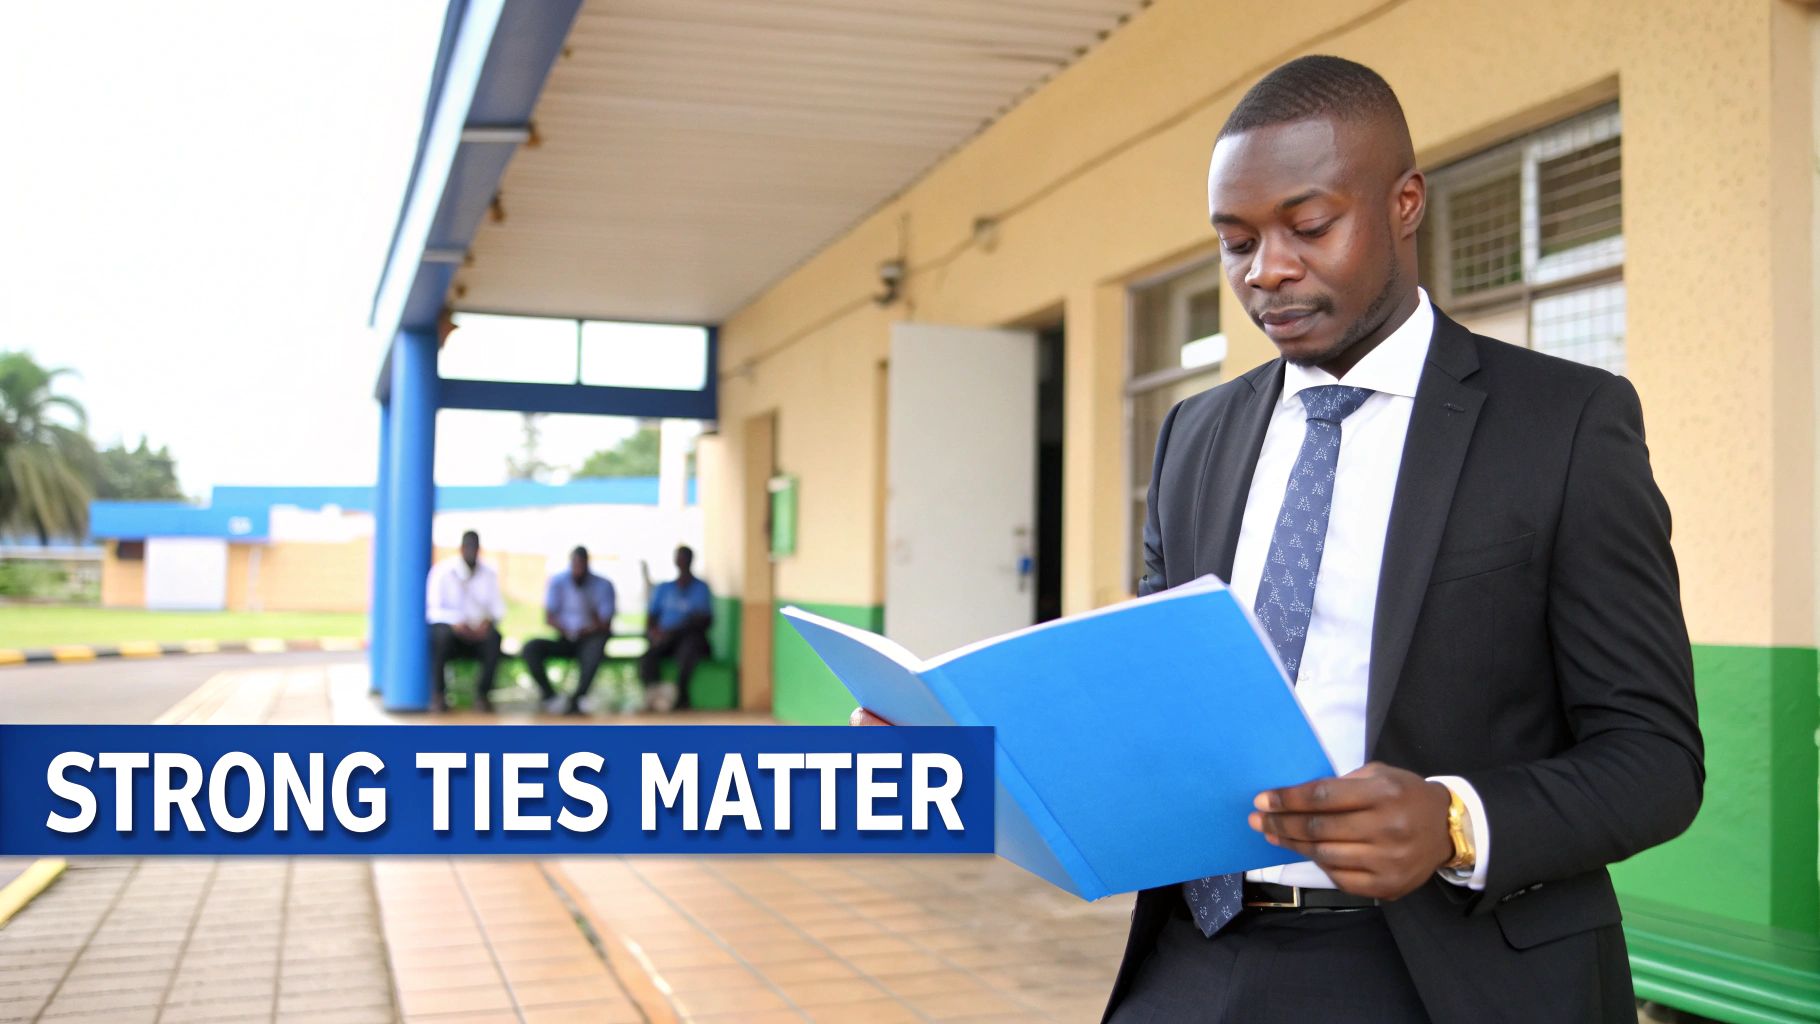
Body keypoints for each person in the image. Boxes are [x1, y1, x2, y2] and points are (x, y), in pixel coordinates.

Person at [856, 56, 1702, 1023]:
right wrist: (976, 751)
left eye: (1309, 226)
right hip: (1195, 955)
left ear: (1405, 203)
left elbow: (1655, 758)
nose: (1266, 270)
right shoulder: (1194, 435)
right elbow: (1155, 711)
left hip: (1445, 975)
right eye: (1236, 241)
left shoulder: (1564, 424)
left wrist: (1454, 821)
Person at [521, 546, 617, 715]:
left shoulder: (602, 585)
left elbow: (605, 623)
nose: (578, 570)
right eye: (575, 565)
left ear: (588, 564)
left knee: (596, 646)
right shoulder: (558, 582)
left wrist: (588, 626)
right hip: (565, 637)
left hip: (590, 639)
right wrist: (568, 630)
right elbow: (549, 617)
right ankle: (551, 698)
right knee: (531, 648)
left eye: (582, 565)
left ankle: (579, 698)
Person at [426, 530, 506, 713]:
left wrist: (487, 622)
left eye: (475, 548)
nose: (472, 552)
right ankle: (439, 695)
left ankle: (482, 696)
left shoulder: (489, 574)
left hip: (478, 633)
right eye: (468, 547)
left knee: (495, 638)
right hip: (452, 633)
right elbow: (433, 610)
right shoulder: (443, 572)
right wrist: (455, 623)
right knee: (440, 636)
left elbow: (497, 608)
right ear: (461, 549)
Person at [639, 545, 712, 711]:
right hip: (665, 638)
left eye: (685, 559)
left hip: (689, 638)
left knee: (689, 651)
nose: (682, 562)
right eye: (680, 559)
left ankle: (681, 697)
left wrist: (675, 631)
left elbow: (704, 620)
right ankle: (657, 698)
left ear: (691, 561)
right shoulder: (664, 588)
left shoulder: (701, 588)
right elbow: (651, 617)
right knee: (648, 658)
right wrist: (654, 632)